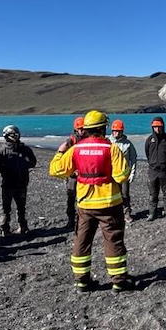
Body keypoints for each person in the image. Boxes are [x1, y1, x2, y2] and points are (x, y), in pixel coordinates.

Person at [49, 110, 134, 292]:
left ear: (85, 130)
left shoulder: (75, 149)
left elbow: (56, 170)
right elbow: (121, 176)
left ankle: (82, 281)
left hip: (85, 205)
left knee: (82, 241)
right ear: (103, 128)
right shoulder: (111, 149)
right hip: (110, 205)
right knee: (113, 241)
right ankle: (118, 281)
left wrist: (59, 152)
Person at [0, 124, 37, 235]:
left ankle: (23, 227)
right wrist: (5, 167)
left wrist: (26, 163)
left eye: (16, 134)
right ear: (6, 136)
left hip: (22, 184)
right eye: (12, 135)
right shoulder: (1, 152)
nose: (15, 137)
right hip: (8, 185)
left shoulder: (26, 149)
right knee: (5, 208)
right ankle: (4, 229)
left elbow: (33, 162)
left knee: (21, 207)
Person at [145, 117, 166, 221]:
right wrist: (153, 163)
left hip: (165, 171)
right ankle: (152, 213)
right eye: (155, 127)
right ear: (152, 127)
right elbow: (147, 153)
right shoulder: (150, 140)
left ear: (163, 127)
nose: (157, 129)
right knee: (153, 194)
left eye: (159, 127)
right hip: (153, 171)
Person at [55, 116, 85, 230]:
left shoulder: (87, 139)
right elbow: (62, 153)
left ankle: (81, 220)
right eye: (80, 128)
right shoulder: (71, 141)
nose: (82, 130)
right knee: (71, 198)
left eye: (83, 128)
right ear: (76, 129)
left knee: (82, 198)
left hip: (84, 174)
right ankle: (71, 220)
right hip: (73, 175)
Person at [110, 120, 138, 222]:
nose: (116, 133)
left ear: (122, 131)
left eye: (118, 131)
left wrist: (133, 173)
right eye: (115, 131)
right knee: (112, 195)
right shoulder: (108, 142)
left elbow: (133, 159)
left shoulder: (128, 144)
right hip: (112, 174)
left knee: (125, 194)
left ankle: (127, 213)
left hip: (124, 174)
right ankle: (114, 214)